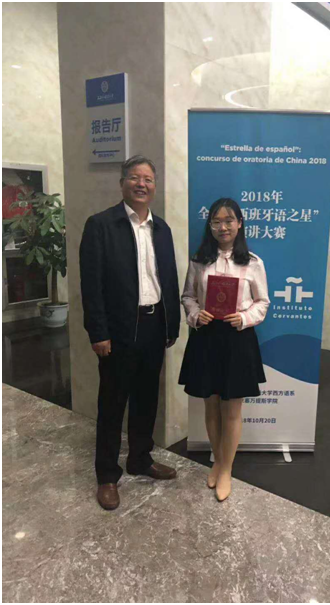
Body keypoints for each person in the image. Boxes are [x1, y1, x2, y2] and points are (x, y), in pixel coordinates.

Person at [80, 155, 180, 510]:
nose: (142, 184)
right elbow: (91, 285)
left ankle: (140, 458)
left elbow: (168, 279)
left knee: (146, 398)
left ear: (154, 186)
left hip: (154, 325)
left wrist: (171, 325)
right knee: (112, 402)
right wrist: (98, 331)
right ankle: (107, 475)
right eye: (135, 177)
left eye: (148, 179)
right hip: (119, 329)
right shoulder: (101, 225)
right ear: (122, 182)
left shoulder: (162, 229)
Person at [179, 198, 270, 502]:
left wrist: (244, 318)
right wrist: (196, 314)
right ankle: (217, 461)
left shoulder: (253, 262)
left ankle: (227, 469)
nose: (223, 227)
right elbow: (188, 296)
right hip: (206, 337)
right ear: (210, 226)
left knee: (231, 409)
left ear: (239, 223)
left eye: (229, 220)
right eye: (216, 221)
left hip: (237, 338)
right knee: (211, 405)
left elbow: (263, 302)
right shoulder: (199, 260)